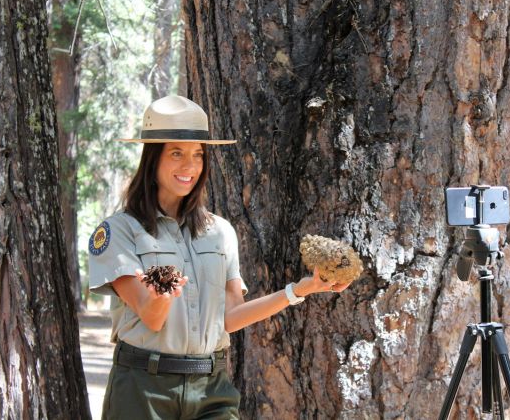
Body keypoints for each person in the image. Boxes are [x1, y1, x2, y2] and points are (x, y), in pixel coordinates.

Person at [88, 95, 350, 419]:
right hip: (144, 389)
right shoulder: (118, 231)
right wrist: (162, 296)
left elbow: (231, 317)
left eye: (198, 154)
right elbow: (152, 317)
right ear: (152, 158)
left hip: (212, 387)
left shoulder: (220, 231)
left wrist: (299, 290)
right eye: (177, 154)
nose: (190, 166)